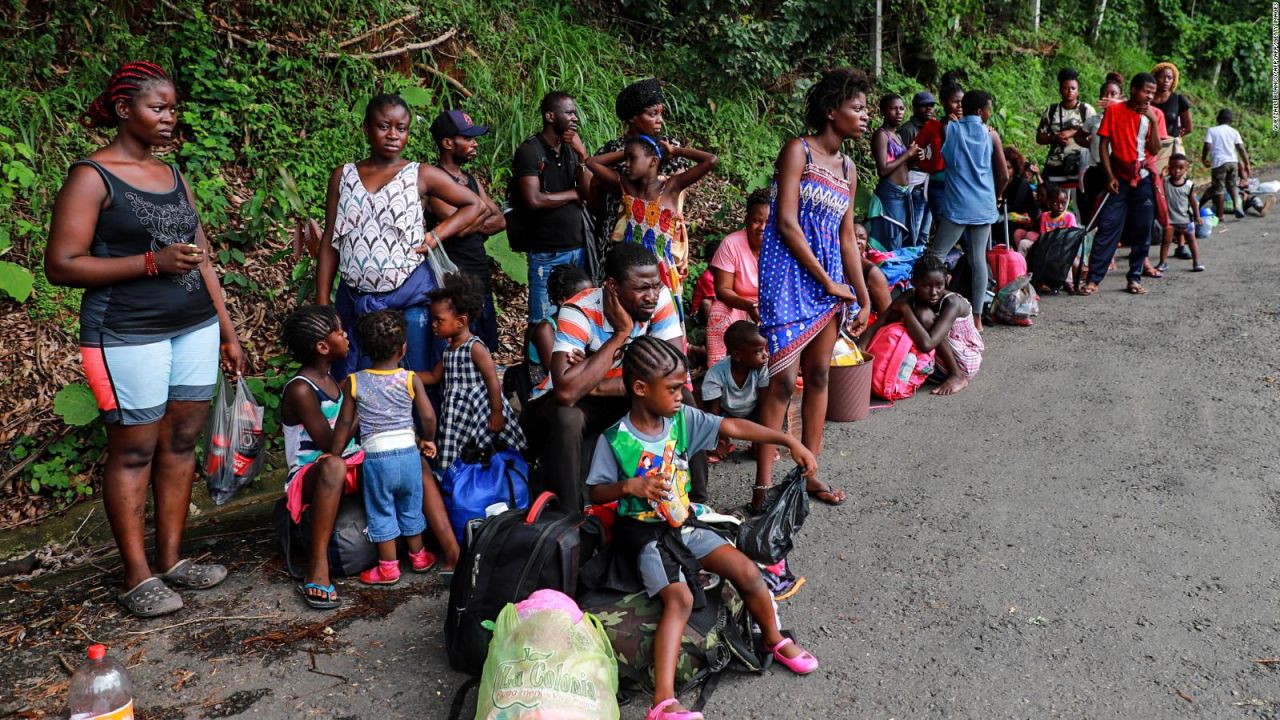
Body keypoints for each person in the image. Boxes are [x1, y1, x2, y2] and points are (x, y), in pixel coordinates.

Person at [45, 62, 248, 618]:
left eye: (172, 109)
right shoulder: (92, 176)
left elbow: (200, 254)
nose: (169, 118)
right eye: (158, 108)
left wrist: (227, 331)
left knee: (181, 443)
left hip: (196, 328)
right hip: (124, 334)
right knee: (133, 450)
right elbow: (61, 265)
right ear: (122, 110)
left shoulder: (172, 174)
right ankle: (137, 577)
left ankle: (174, 561)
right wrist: (149, 263)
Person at [585, 337, 821, 720]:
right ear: (641, 388)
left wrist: (786, 438)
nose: (683, 395)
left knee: (746, 569)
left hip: (683, 522)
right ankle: (663, 701)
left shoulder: (681, 419)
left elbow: (733, 426)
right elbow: (595, 491)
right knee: (680, 598)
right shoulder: (615, 439)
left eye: (683, 387)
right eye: (674, 388)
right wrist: (629, 486)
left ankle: (773, 640)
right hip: (643, 533)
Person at [279, 306, 459, 608]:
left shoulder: (339, 383)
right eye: (338, 331)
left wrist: (369, 402)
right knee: (334, 466)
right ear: (323, 347)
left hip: (354, 461)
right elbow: (328, 445)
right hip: (314, 471)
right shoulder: (301, 389)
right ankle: (318, 567)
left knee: (415, 462)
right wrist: (371, 406)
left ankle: (452, 552)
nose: (345, 334)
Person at [754, 68, 874, 510]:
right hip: (789, 277)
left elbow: (846, 239)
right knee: (783, 382)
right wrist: (827, 281)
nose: (865, 117)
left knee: (820, 375)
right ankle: (763, 485)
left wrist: (860, 294)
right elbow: (785, 221)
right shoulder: (797, 151)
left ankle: (808, 474)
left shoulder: (848, 168)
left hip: (830, 284)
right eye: (856, 108)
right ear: (831, 111)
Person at [315, 94, 485, 381]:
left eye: (401, 128)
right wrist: (322, 299)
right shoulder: (343, 176)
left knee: (410, 378)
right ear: (366, 128)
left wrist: (435, 235)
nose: (393, 135)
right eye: (384, 126)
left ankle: (415, 427)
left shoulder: (420, 174)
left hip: (410, 299)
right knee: (359, 378)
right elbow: (331, 238)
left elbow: (474, 205)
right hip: (356, 298)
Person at [521, 244, 702, 508]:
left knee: (681, 396)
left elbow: (674, 371)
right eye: (641, 288)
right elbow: (567, 392)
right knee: (567, 416)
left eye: (655, 285)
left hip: (615, 393)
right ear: (613, 287)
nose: (651, 295)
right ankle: (571, 516)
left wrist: (592, 382)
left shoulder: (660, 299)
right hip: (554, 407)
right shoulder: (579, 311)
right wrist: (621, 333)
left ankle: (698, 501)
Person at [329, 310, 440, 586]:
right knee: (411, 504)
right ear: (403, 348)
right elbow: (427, 416)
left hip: (377, 458)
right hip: (408, 454)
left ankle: (388, 568)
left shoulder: (355, 381)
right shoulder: (410, 378)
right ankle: (419, 556)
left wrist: (334, 453)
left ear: (364, 350)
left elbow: (344, 423)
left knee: (381, 510)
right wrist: (428, 438)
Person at [585, 135, 718, 308]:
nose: (626, 163)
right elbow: (591, 163)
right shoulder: (626, 186)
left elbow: (711, 160)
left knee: (662, 319)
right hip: (631, 268)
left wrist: (676, 151)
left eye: (632, 158)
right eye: (626, 159)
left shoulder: (671, 188)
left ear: (653, 162)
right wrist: (625, 152)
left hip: (661, 271)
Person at [588, 79, 693, 283]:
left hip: (659, 239)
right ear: (633, 118)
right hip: (617, 238)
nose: (659, 120)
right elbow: (594, 193)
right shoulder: (612, 151)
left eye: (660, 113)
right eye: (652, 114)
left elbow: (679, 192)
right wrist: (627, 152)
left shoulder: (667, 147)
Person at [419, 274, 527, 470]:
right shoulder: (447, 351)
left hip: (480, 410)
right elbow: (434, 377)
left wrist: (496, 412)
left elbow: (492, 379)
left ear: (460, 321)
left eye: (439, 320)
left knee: (485, 450)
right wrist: (404, 375)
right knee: (461, 454)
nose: (433, 325)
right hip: (457, 414)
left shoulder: (475, 347)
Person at [927, 89, 1008, 328]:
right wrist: (997, 196)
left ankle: (930, 307)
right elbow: (1003, 174)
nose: (990, 113)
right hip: (983, 205)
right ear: (981, 111)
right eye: (989, 109)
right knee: (978, 260)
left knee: (936, 255)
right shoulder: (991, 135)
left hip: (958, 206)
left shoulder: (950, 129)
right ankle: (977, 318)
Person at [426, 109, 506, 351]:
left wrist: (470, 218)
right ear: (448, 143)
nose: (474, 144)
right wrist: (477, 215)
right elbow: (456, 226)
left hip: (479, 275)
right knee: (458, 348)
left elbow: (500, 220)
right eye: (468, 139)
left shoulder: (470, 179)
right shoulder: (434, 180)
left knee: (485, 345)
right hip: (453, 279)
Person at [511, 91, 591, 324]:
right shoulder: (530, 151)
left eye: (575, 112)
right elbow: (534, 199)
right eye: (568, 112)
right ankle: (535, 361)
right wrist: (573, 194)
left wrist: (582, 154)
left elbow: (586, 191)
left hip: (578, 247)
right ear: (550, 116)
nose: (574, 118)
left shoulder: (570, 150)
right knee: (543, 320)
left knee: (580, 315)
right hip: (548, 252)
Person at [1080, 73, 1163, 296]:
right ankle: (1093, 279)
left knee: (1142, 227)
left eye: (1152, 93)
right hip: (1119, 176)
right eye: (1146, 91)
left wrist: (1153, 121)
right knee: (1108, 225)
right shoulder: (1115, 111)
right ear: (1134, 90)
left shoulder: (1154, 114)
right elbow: (1104, 144)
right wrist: (1109, 177)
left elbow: (1155, 149)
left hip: (1143, 177)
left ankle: (1134, 277)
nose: (1149, 96)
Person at [875, 255, 983, 396]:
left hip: (965, 361)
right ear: (914, 282)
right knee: (899, 317)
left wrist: (906, 310)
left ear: (947, 280)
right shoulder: (910, 295)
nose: (933, 293)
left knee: (923, 315)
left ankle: (957, 376)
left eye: (939, 286)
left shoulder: (952, 303)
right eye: (926, 286)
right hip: (943, 358)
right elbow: (881, 322)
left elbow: (928, 344)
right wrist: (860, 353)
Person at [705, 188, 769, 367]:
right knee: (718, 312)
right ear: (746, 220)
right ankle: (716, 373)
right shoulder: (731, 244)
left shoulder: (781, 247)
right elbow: (722, 290)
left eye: (768, 222)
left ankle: (775, 378)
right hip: (739, 306)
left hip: (772, 308)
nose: (762, 227)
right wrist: (748, 305)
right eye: (756, 221)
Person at [702, 320, 770, 462]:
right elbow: (713, 413)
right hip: (727, 416)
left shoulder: (762, 369)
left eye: (764, 349)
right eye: (758, 351)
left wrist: (763, 439)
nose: (765, 355)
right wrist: (715, 440)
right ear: (738, 355)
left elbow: (765, 406)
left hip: (753, 413)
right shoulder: (716, 373)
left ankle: (759, 444)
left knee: (775, 404)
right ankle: (722, 441)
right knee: (705, 411)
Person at [526, 264, 592, 390]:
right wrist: (587, 363)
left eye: (591, 296)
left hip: (577, 379)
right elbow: (555, 376)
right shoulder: (546, 329)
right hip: (546, 388)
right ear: (562, 300)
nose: (588, 303)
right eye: (581, 298)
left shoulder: (586, 322)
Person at [870, 93, 923, 250]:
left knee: (901, 240)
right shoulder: (881, 135)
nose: (899, 112)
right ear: (883, 111)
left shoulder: (898, 136)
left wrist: (914, 158)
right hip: (889, 195)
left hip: (902, 194)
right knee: (891, 241)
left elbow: (901, 165)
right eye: (893, 109)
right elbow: (883, 169)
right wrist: (907, 154)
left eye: (901, 108)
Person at [1035, 68, 1094, 206]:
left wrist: (1073, 132)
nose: (1070, 91)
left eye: (1073, 88)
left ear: (1078, 90)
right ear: (1060, 90)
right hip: (1055, 163)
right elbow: (1039, 137)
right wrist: (1054, 138)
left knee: (1082, 203)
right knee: (1049, 201)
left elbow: (1094, 134)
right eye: (1066, 88)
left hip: (1080, 164)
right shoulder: (1052, 110)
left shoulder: (1086, 110)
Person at [913, 82, 965, 236]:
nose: (960, 106)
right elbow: (914, 149)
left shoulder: (971, 126)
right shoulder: (933, 126)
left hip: (962, 185)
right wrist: (928, 165)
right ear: (943, 102)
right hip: (939, 185)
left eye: (962, 101)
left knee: (963, 232)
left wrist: (957, 128)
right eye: (955, 102)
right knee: (944, 228)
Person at [1079, 74, 1125, 223]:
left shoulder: (1126, 119)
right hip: (1096, 169)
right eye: (1105, 94)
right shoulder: (1094, 120)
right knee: (1092, 205)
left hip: (1117, 169)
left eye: (1113, 94)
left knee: (1113, 206)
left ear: (1121, 97)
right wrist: (1092, 146)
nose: (1109, 97)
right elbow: (1078, 136)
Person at [1156, 154, 1204, 272]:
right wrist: (1162, 174)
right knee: (1166, 241)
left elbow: (1193, 202)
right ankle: (1163, 262)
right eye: (1173, 167)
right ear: (1168, 167)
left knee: (1192, 241)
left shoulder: (1189, 185)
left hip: (1185, 219)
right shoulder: (1165, 182)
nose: (1177, 170)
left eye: (1180, 168)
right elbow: (1157, 184)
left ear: (1186, 168)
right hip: (1170, 220)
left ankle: (1196, 262)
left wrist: (1198, 216)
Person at [1201, 108, 1251, 221]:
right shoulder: (1234, 131)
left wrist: (1204, 158)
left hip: (1219, 163)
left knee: (1219, 189)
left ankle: (1220, 215)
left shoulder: (1212, 130)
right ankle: (1237, 206)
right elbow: (1241, 149)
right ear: (1231, 121)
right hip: (1233, 162)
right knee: (1232, 185)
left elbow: (1207, 146)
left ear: (1218, 118)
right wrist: (1247, 163)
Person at [901, 91, 937, 241]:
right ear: (915, 108)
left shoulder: (934, 127)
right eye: (924, 106)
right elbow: (901, 159)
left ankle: (922, 261)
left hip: (931, 182)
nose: (929, 108)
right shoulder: (908, 129)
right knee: (914, 228)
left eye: (931, 105)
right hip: (916, 182)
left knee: (925, 232)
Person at [1151, 62, 1193, 175]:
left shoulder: (1178, 99)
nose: (1166, 80)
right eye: (1162, 77)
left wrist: (1173, 137)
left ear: (1174, 80)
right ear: (1155, 78)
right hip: (1149, 145)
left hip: (1170, 146)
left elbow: (1188, 128)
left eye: (1169, 77)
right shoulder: (1147, 98)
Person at [1000, 147, 1041, 249]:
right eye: (1002, 167)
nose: (1005, 171)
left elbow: (1015, 206)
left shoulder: (1021, 183)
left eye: (1009, 168)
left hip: (1025, 221)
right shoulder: (997, 182)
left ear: (1015, 169)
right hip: (1006, 217)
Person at [1020, 181, 1077, 255]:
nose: (1060, 207)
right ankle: (1023, 265)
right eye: (1056, 203)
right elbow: (1043, 236)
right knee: (1023, 243)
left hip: (1062, 249)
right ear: (1049, 203)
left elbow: (1072, 237)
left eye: (1063, 203)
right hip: (1046, 247)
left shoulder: (1069, 217)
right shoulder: (1044, 216)